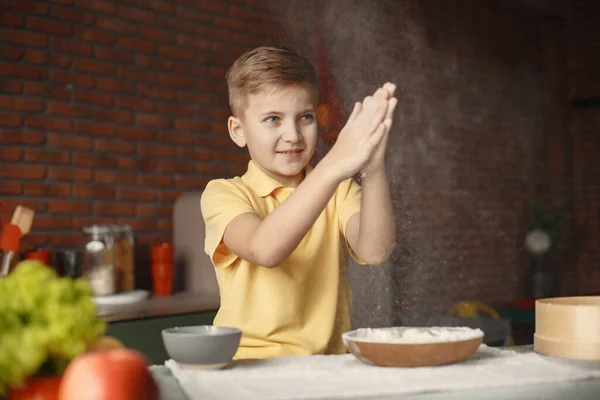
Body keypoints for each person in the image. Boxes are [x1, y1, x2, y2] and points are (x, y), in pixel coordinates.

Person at [200, 45, 397, 360]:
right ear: (238, 131)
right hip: (249, 367)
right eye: (273, 119)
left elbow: (375, 251)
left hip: (329, 366)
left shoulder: (339, 189)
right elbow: (264, 249)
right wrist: (333, 164)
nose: (292, 134)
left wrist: (372, 169)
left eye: (305, 117)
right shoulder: (224, 193)